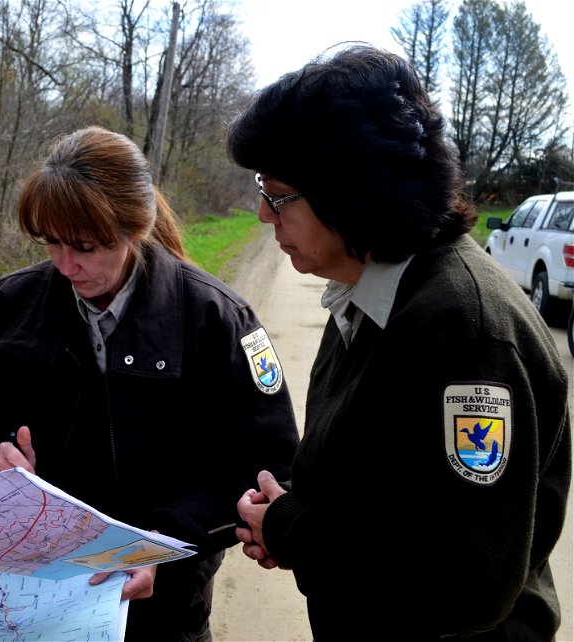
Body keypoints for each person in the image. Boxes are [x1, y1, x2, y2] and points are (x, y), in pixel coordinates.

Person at [227, 45, 572, 639]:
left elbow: (463, 580)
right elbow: (385, 482)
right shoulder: (368, 293)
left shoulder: (465, 331)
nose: (263, 214)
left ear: (355, 193)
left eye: (279, 195)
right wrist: (290, 513)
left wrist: (293, 529)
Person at [0, 125, 300, 641]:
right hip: (34, 592)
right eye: (52, 243)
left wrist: (163, 541)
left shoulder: (215, 318)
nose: (66, 265)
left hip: (166, 604)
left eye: (86, 246)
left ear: (135, 228)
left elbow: (267, 464)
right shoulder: (10, 305)